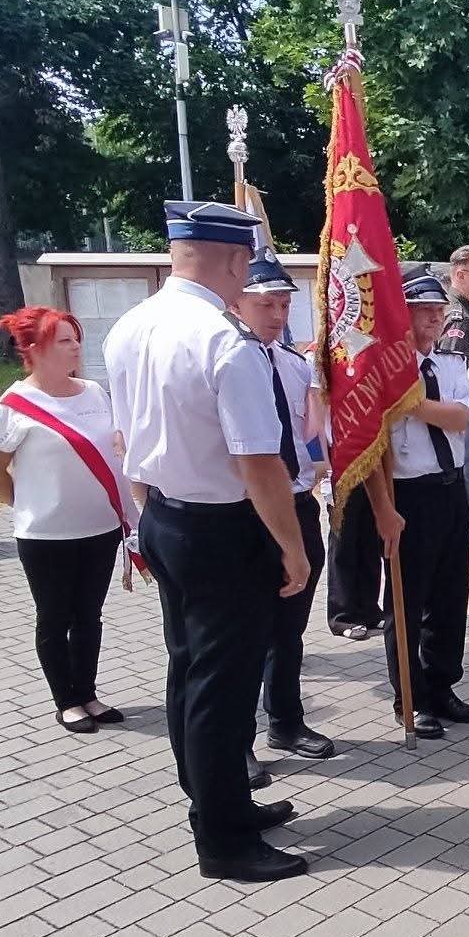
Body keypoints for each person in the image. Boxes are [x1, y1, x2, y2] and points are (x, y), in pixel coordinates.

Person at [104, 200, 310, 884]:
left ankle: (216, 799)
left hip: (165, 514)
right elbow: (259, 461)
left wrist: (147, 517)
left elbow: (128, 436)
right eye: (247, 262)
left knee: (189, 671)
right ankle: (223, 839)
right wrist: (292, 546)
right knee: (223, 686)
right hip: (222, 528)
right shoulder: (225, 340)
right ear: (233, 259)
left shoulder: (132, 324)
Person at [0, 306, 132, 734]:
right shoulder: (14, 406)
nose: (76, 347)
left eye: (76, 338)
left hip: (100, 527)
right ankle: (66, 701)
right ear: (34, 349)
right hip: (46, 535)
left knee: (89, 616)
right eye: (65, 340)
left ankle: (88, 693)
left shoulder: (94, 393)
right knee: (54, 618)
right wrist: (31, 504)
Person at [233, 254, 338, 768]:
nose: (277, 314)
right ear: (237, 303)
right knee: (243, 634)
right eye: (265, 304)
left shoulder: (296, 366)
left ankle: (286, 721)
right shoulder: (230, 360)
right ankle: (237, 743)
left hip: (297, 503)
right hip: (247, 510)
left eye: (283, 304)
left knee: (288, 628)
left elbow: (308, 434)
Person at [380, 271, 469, 739]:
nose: (435, 320)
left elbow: (466, 417)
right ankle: (410, 696)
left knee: (450, 595)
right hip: (409, 493)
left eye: (439, 312)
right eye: (424, 312)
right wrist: (421, 406)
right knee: (407, 600)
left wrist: (414, 406)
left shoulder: (448, 363)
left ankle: (442, 685)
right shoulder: (387, 369)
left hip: (452, 486)